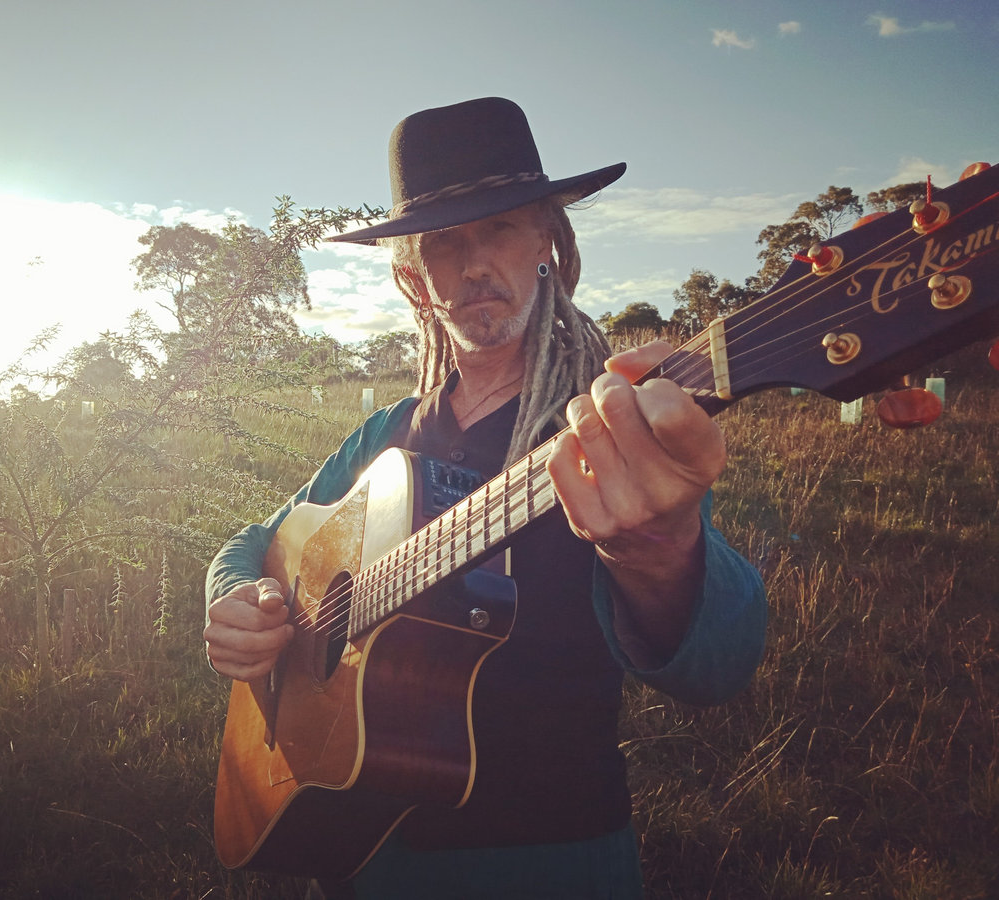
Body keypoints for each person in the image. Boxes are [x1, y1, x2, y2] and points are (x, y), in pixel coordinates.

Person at [204, 97, 767, 899]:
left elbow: (719, 667)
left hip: (550, 859)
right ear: (414, 276)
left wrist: (663, 548)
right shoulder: (386, 435)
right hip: (360, 857)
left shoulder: (608, 426)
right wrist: (236, 598)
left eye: (499, 228)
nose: (473, 265)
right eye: (444, 242)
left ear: (547, 242)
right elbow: (258, 541)